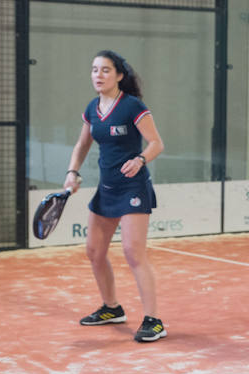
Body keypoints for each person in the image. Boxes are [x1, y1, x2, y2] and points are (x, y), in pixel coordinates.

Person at [64, 50, 166, 342]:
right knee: (94, 252)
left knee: (133, 252)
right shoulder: (92, 108)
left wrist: (141, 160)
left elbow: (156, 143)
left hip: (133, 188)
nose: (98, 75)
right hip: (106, 189)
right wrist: (72, 171)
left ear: (119, 75)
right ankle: (112, 308)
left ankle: (154, 321)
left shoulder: (132, 106)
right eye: (94, 69)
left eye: (105, 70)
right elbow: (82, 145)